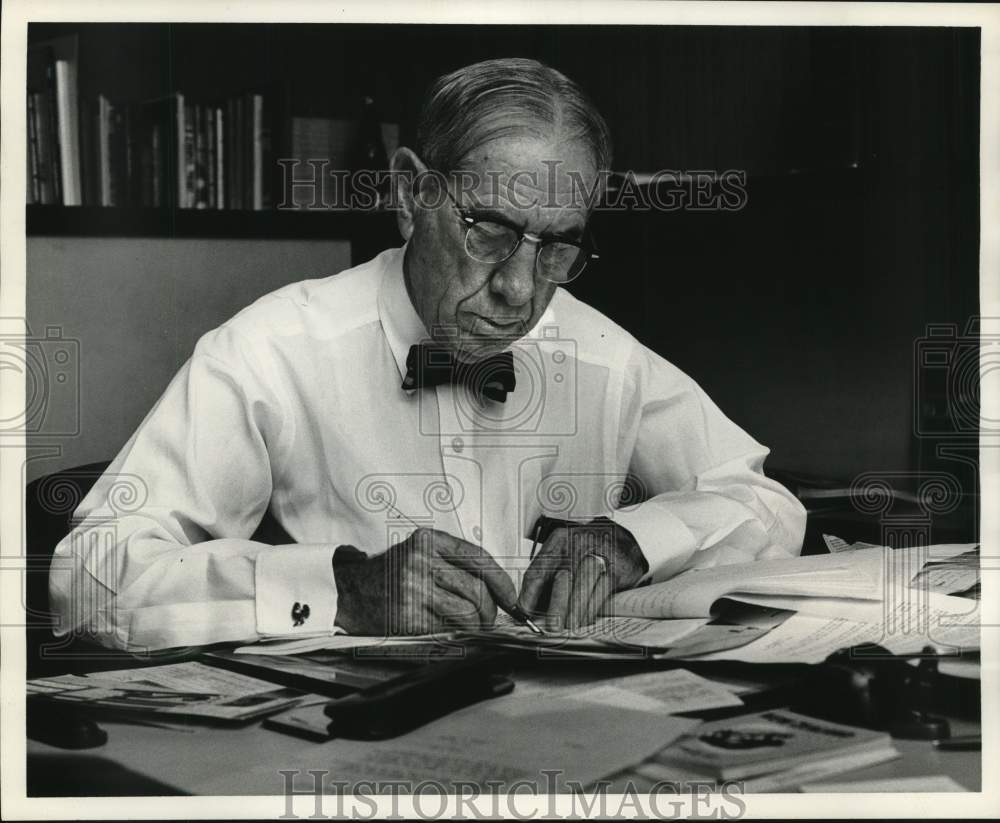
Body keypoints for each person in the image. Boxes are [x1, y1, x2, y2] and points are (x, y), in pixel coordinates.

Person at [49, 57, 806, 652]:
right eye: (489, 229)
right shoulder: (272, 351)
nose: (519, 289)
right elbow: (86, 577)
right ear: (411, 194)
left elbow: (769, 506)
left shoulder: (599, 353)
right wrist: (343, 589)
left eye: (558, 245)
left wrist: (631, 541)